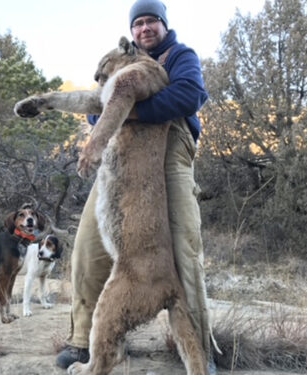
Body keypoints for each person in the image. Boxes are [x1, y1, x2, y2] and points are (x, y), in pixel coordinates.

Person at [56, 0, 214, 371]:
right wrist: (113, 107)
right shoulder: (122, 61)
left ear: (163, 25)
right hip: (123, 158)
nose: (145, 29)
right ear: (131, 33)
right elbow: (98, 108)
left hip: (170, 153)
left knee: (184, 248)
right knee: (87, 248)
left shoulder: (179, 55)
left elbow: (188, 97)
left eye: (151, 22)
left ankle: (200, 350)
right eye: (138, 23)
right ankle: (88, 343)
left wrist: (129, 106)